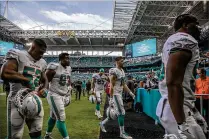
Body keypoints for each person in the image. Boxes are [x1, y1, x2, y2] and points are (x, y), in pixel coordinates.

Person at [156, 14, 207, 139]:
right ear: (185, 25)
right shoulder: (185, 39)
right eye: (196, 25)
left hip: (174, 105)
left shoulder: (174, 40)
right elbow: (173, 83)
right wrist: (182, 124)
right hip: (178, 108)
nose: (199, 29)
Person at [0, 39, 48, 139]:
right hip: (16, 100)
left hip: (34, 99)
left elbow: (45, 79)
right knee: (15, 135)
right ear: (33, 47)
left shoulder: (42, 62)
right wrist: (25, 79)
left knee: (37, 130)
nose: (41, 55)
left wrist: (45, 88)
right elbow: (5, 73)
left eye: (43, 53)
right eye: (40, 52)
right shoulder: (18, 55)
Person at [99, 56, 135, 139]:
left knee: (115, 115)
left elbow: (124, 84)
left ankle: (102, 123)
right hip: (115, 94)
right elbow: (111, 86)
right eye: (122, 61)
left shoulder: (122, 71)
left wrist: (130, 93)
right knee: (122, 113)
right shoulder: (114, 71)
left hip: (119, 93)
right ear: (117, 62)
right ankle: (122, 133)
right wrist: (111, 99)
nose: (123, 62)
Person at [44, 53, 71, 139]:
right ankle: (66, 137)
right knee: (61, 117)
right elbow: (44, 80)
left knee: (53, 117)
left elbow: (68, 79)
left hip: (63, 95)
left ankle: (47, 135)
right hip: (54, 95)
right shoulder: (54, 67)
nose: (68, 60)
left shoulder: (69, 68)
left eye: (68, 58)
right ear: (61, 59)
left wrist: (68, 90)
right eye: (66, 58)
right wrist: (44, 89)